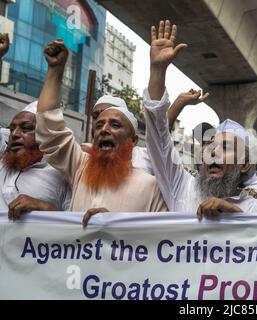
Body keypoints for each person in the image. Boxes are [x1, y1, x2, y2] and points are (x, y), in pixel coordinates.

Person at [143, 20, 257, 219]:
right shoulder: (182, 187)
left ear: (245, 164)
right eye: (210, 146)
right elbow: (157, 138)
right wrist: (157, 70)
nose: (213, 152)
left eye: (226, 147)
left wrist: (236, 214)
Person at [35, 40, 167, 226]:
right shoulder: (81, 168)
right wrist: (55, 70)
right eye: (99, 125)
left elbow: (160, 241)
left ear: (133, 140)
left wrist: (112, 226)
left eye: (114, 125)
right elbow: (50, 128)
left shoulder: (151, 186)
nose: (104, 130)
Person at [1, 102, 71, 220]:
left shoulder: (61, 175)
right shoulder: (3, 166)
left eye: (26, 128)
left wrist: (43, 206)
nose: (15, 134)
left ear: (46, 135)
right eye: (12, 129)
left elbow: (75, 225)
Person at [83, 95, 154, 175]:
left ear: (133, 139)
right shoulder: (82, 156)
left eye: (114, 124)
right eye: (96, 117)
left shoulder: (145, 157)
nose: (104, 128)